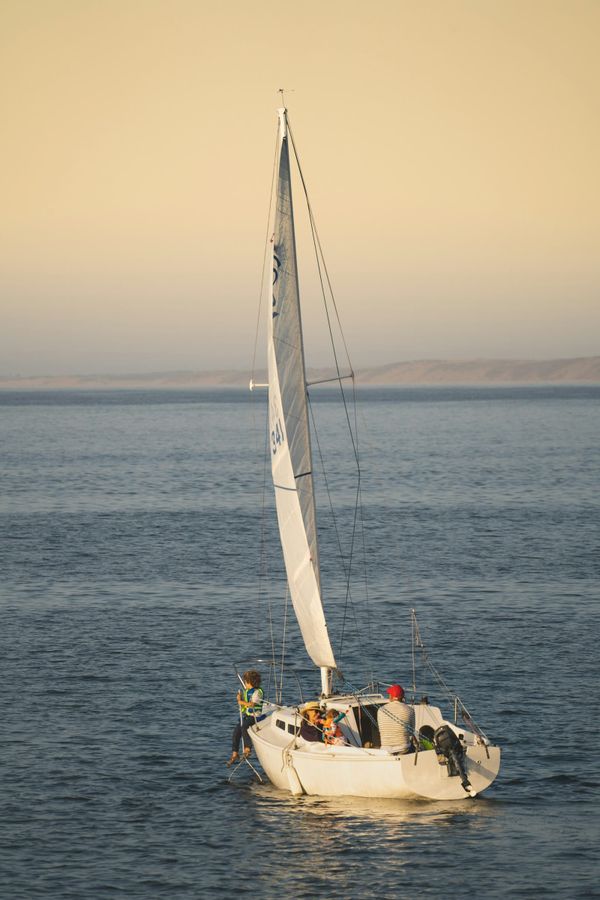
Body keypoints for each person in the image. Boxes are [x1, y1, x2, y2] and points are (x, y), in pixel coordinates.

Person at [227, 670, 264, 766]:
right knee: (236, 731)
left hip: (255, 716)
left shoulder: (257, 692)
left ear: (250, 682)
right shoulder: (247, 691)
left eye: (245, 682)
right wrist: (240, 698)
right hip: (247, 716)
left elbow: (251, 705)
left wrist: (240, 702)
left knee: (244, 727)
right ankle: (235, 753)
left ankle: (247, 748)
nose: (245, 684)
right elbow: (245, 704)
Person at [377, 684, 414, 753]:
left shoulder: (380, 710)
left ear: (391, 696)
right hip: (403, 748)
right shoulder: (410, 710)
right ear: (403, 697)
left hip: (385, 749)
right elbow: (411, 732)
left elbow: (381, 730)